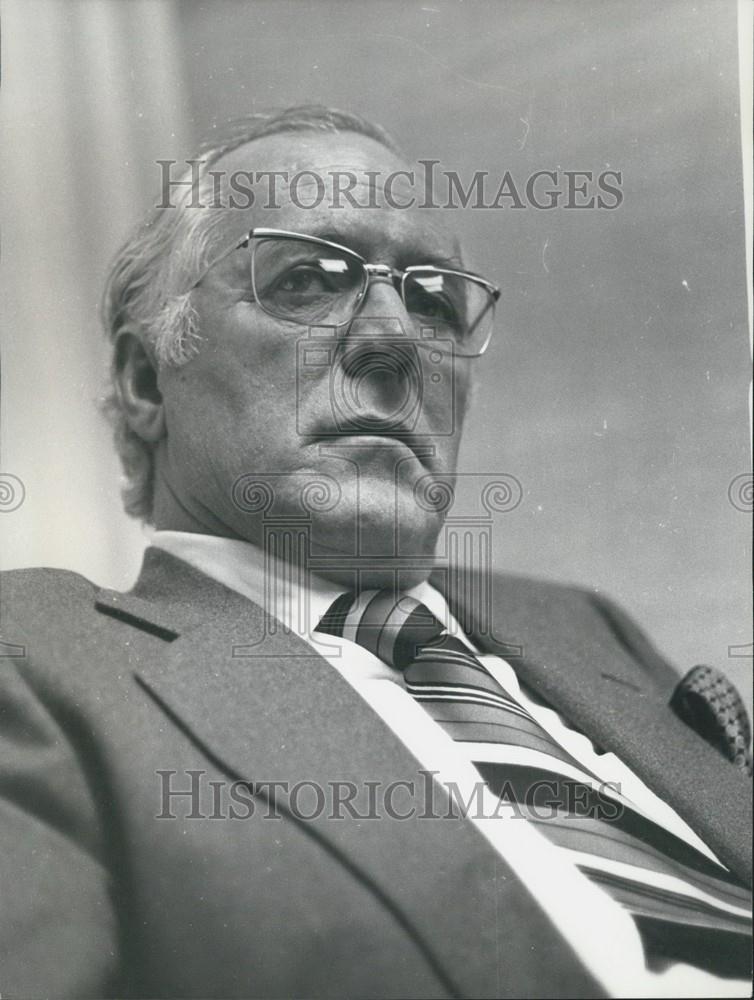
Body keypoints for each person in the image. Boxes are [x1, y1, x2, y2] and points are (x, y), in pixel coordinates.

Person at [0, 106, 750, 1000]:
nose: (395, 339)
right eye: (309, 279)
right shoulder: (40, 660)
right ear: (146, 377)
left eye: (434, 298)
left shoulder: (581, 623)